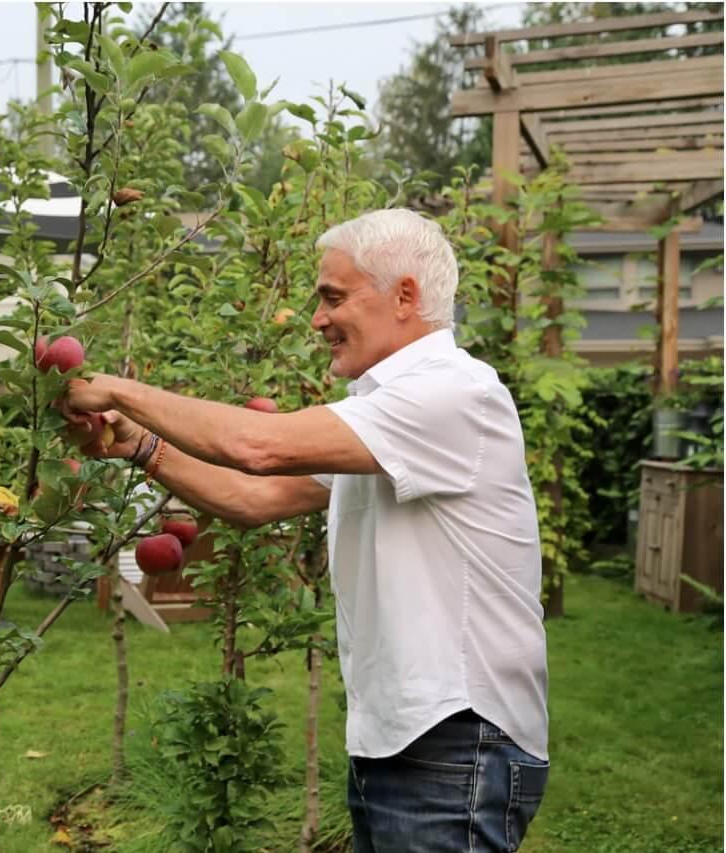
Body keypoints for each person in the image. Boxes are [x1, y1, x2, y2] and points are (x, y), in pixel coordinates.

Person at [62, 208, 550, 852]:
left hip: (454, 736)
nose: (318, 319)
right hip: (404, 735)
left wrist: (118, 393)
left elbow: (257, 447)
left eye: (333, 297)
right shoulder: (382, 415)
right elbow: (252, 497)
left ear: (405, 295)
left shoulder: (453, 394)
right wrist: (138, 446)